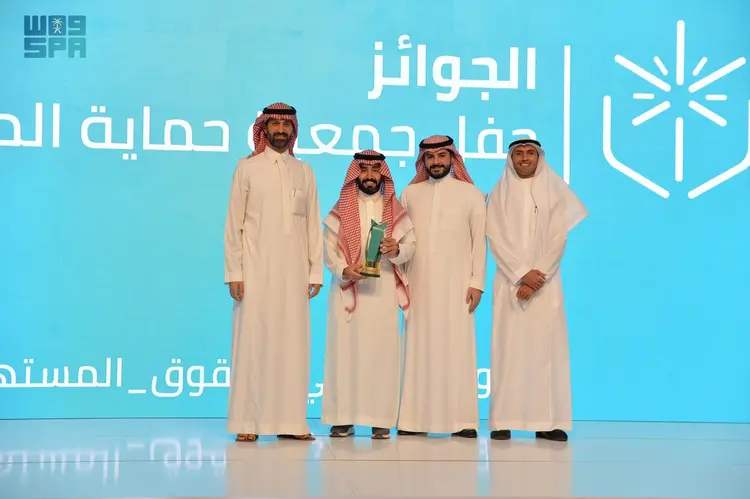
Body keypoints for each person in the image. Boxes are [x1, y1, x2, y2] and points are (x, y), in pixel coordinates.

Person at [223, 102, 323, 442]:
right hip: (254, 272)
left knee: (292, 346)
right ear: (264, 129)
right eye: (275, 124)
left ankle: (291, 423)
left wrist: (315, 272)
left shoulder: (304, 172)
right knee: (252, 344)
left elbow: (312, 225)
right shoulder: (247, 168)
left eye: (286, 125)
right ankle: (247, 423)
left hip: (294, 275)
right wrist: (234, 272)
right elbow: (233, 224)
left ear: (293, 130)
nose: (280, 130)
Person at [485, 138, 588, 442]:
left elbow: (559, 239)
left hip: (546, 286)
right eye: (519, 153)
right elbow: (495, 239)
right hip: (509, 284)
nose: (525, 158)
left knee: (546, 353)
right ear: (511, 159)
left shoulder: (555, 190)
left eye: (530, 153)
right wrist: (521, 275)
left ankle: (547, 422)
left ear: (539, 157)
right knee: (507, 352)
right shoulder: (499, 193)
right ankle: (503, 420)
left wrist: (537, 276)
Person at [321, 150, 416, 439]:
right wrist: (344, 269)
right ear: (356, 174)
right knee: (344, 354)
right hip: (348, 290)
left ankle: (380, 419)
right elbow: (328, 249)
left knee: (381, 354)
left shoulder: (395, 209)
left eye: (376, 170)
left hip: (382, 288)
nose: (370, 175)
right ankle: (342, 418)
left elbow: (410, 246)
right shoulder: (341, 209)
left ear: (383, 174)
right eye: (364, 169)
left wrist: (396, 250)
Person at [396, 135, 487, 438]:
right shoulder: (409, 194)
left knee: (457, 350)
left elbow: (479, 243)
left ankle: (463, 421)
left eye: (442, 156)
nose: (436, 162)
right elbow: (401, 240)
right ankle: (413, 421)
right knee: (418, 350)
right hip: (418, 284)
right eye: (430, 157)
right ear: (423, 160)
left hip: (458, 286)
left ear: (452, 158)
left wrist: (477, 283)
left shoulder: (470, 194)